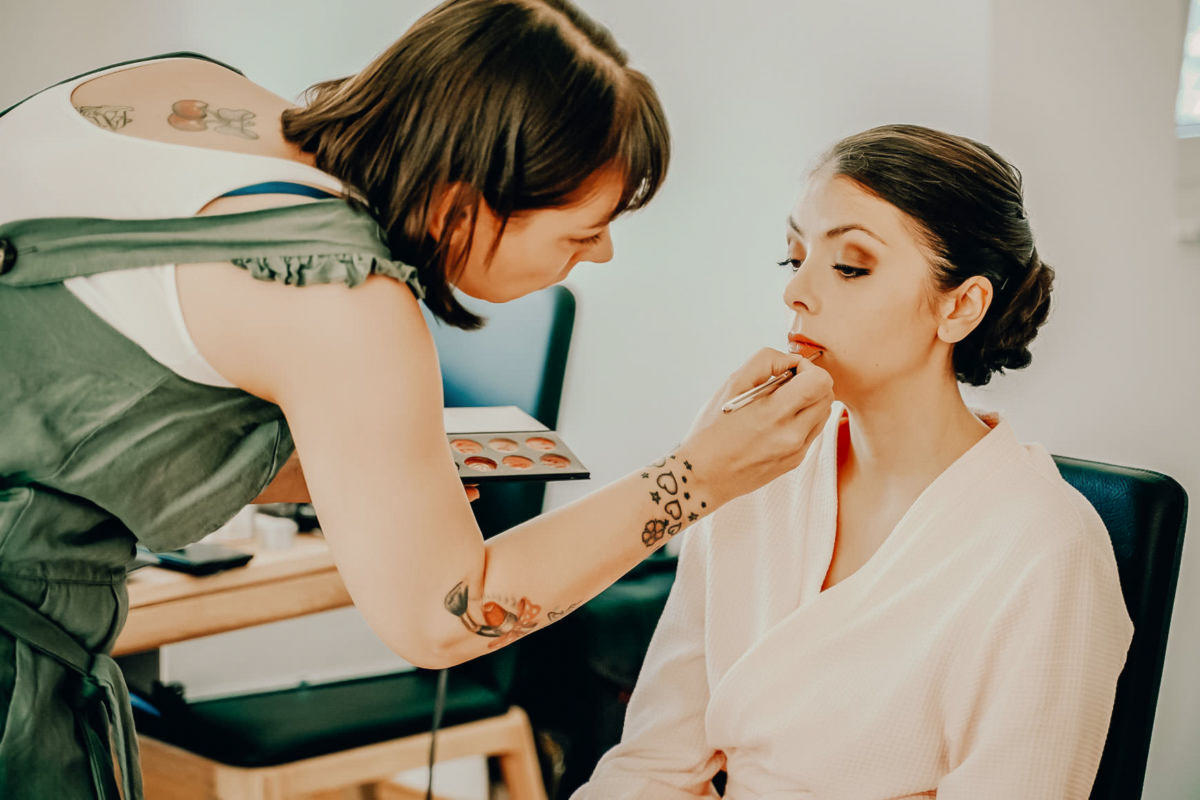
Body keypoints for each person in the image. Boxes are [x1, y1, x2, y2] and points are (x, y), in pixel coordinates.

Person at [0, 2, 835, 798]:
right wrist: (698, 478)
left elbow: (87, 402)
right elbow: (446, 619)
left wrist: (372, 473)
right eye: (581, 233)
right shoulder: (340, 296)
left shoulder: (179, 89)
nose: (604, 253)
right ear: (462, 204)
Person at [572, 124, 1133, 800]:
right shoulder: (755, 471)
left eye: (849, 266)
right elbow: (653, 763)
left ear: (960, 306)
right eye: (793, 258)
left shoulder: (1048, 553)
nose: (795, 293)